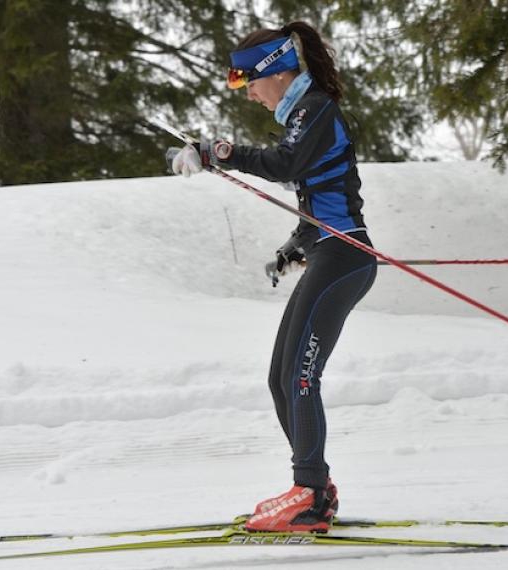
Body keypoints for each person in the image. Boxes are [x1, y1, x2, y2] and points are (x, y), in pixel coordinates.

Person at [165, 21, 376, 533]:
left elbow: (287, 164)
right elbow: (321, 189)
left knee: (301, 378)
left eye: (245, 82)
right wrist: (295, 245)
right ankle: (315, 488)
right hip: (328, 251)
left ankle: (310, 495)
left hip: (346, 256)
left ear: (274, 72)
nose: (247, 95)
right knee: (280, 378)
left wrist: (223, 153)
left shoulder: (315, 110)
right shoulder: (304, 113)